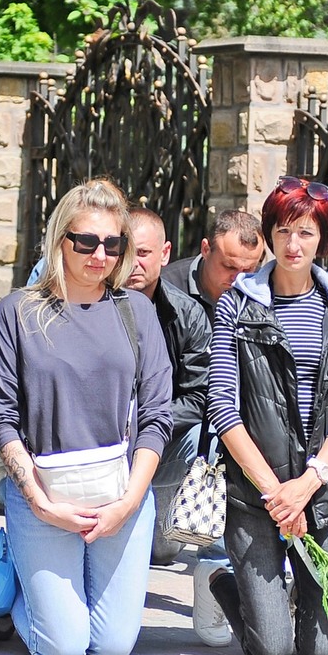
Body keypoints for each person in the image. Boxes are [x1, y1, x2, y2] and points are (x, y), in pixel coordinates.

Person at [0, 180, 173, 655]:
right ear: (59, 240)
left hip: (119, 495)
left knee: (111, 646)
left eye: (112, 244)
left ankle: (55, 588)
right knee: (62, 648)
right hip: (44, 494)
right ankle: (16, 585)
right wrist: (40, 504)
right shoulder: (19, 311)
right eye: (85, 241)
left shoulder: (137, 312)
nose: (99, 255)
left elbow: (156, 414)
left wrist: (128, 505)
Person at [204, 176, 328, 655]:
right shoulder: (236, 304)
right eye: (283, 232)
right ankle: (230, 588)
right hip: (257, 492)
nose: (293, 245)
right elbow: (222, 408)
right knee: (272, 650)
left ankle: (285, 599)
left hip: (322, 490)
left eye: (307, 233)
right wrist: (277, 493)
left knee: (321, 653)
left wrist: (308, 483)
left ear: (324, 240)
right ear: (270, 234)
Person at [122, 208, 211, 567]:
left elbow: (198, 397)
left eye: (143, 253)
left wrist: (145, 422)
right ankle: (2, 486)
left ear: (165, 253)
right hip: (99, 443)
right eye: (126, 251)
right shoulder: (92, 303)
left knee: (209, 435)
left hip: (158, 439)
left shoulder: (187, 314)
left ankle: (175, 523)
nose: (134, 263)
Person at [160, 207, 265, 321]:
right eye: (230, 266)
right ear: (205, 249)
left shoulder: (266, 289)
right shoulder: (166, 287)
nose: (238, 278)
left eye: (248, 269)